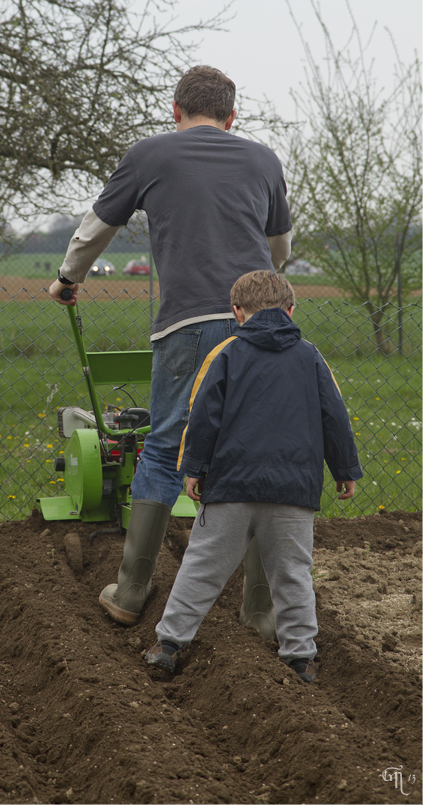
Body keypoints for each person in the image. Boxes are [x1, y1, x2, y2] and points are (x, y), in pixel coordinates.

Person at [49, 65, 293, 632]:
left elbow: (96, 227)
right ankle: (259, 611)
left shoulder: (149, 155)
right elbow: (278, 245)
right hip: (259, 324)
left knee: (162, 448)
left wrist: (67, 277)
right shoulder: (262, 159)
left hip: (185, 325)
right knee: (256, 452)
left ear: (175, 109)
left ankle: (131, 590)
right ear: (233, 117)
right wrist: (261, 283)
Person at [144, 270, 363, 680]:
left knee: (202, 568)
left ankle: (169, 645)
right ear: (292, 310)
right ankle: (300, 657)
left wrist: (193, 468)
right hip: (292, 491)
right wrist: (345, 469)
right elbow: (334, 415)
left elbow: (203, 415)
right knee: (293, 572)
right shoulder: (311, 355)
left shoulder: (226, 353)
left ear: (237, 312)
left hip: (231, 487)